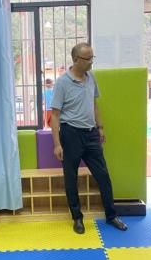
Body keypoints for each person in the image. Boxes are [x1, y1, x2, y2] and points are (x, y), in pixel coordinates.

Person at [50, 43, 127, 234]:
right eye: (88, 58)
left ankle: (111, 215)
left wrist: (100, 127)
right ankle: (77, 218)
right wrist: (57, 144)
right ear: (76, 60)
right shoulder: (62, 83)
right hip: (70, 134)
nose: (92, 61)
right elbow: (55, 115)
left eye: (93, 57)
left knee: (103, 176)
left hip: (91, 134)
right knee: (71, 178)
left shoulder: (91, 77)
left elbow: (94, 104)